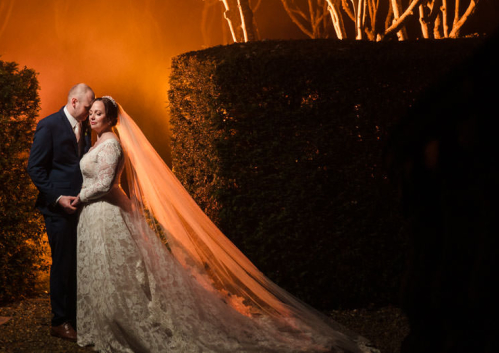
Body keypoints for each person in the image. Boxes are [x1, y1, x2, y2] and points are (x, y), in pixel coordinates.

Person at [73, 95, 376, 353]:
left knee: (119, 272)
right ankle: (105, 326)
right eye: (93, 113)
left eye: (100, 113)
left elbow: (104, 183)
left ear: (111, 119)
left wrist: (76, 197)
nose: (94, 117)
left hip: (106, 211)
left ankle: (124, 326)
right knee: (106, 273)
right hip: (96, 213)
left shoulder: (111, 145)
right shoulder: (98, 142)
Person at [27, 83, 95, 341]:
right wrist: (57, 198)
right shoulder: (49, 125)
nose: (90, 113)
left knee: (77, 263)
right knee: (62, 263)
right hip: (57, 209)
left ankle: (75, 317)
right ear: (75, 102)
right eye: (88, 107)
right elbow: (35, 168)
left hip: (80, 206)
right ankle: (59, 321)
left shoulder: (85, 127)